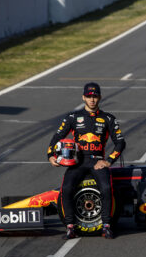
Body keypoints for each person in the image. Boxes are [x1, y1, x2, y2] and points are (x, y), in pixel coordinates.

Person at [47, 82, 126, 239]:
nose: (92, 100)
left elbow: (120, 142)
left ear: (100, 98)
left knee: (106, 188)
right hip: (77, 162)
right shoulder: (73, 118)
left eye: (95, 96)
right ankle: (70, 227)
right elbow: (57, 138)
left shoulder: (108, 118)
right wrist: (50, 155)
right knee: (67, 188)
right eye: (89, 96)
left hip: (98, 161)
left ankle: (106, 226)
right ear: (83, 97)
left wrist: (109, 161)